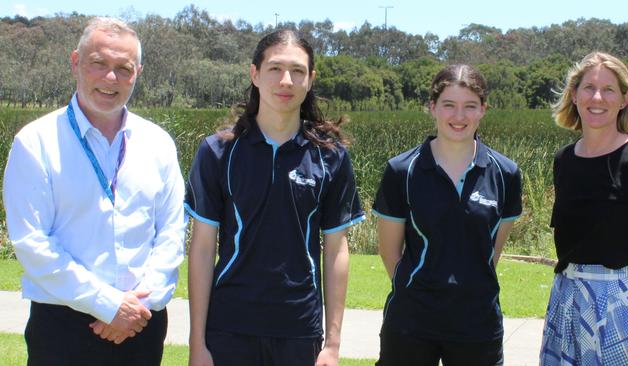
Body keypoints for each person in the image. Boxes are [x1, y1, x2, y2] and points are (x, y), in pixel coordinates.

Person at [2, 17, 186, 365]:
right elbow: (32, 244)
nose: (110, 78)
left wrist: (137, 307)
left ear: (138, 72)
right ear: (75, 62)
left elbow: (172, 233)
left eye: (123, 68)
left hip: (141, 324)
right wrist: (108, 304)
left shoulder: (158, 143)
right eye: (98, 64)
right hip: (63, 327)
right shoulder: (35, 142)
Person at [185, 29, 365, 366]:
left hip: (299, 329)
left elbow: (337, 248)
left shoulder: (330, 157)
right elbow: (203, 247)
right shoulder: (217, 151)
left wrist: (333, 345)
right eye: (275, 69)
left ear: (310, 80)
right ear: (254, 74)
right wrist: (197, 343)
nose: (286, 81)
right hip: (229, 326)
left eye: (298, 71)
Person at [372, 64, 522, 366]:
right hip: (411, 321)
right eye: (448, 105)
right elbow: (390, 252)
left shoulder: (506, 173)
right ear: (432, 108)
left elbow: (491, 252)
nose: (459, 116)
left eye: (470, 106)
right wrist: (418, 291)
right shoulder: (401, 170)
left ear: (483, 110)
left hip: (477, 322)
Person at [539, 52, 628, 364]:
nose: (597, 97)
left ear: (625, 98)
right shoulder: (564, 160)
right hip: (568, 301)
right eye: (588, 88)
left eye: (609, 89)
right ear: (574, 95)